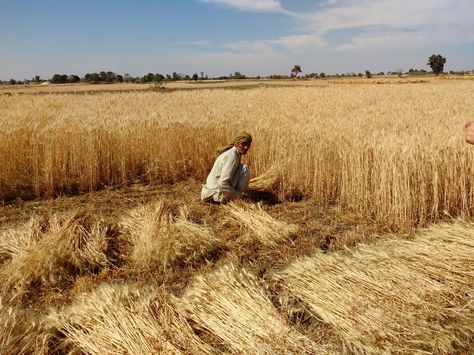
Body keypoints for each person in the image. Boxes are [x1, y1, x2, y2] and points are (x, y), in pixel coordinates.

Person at [201, 132, 252, 203]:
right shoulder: (232, 156)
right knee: (244, 168)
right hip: (213, 194)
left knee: (242, 167)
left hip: (210, 191)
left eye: (248, 145)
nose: (246, 147)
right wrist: (239, 196)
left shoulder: (234, 153)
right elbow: (222, 184)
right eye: (243, 144)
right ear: (237, 143)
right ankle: (236, 199)